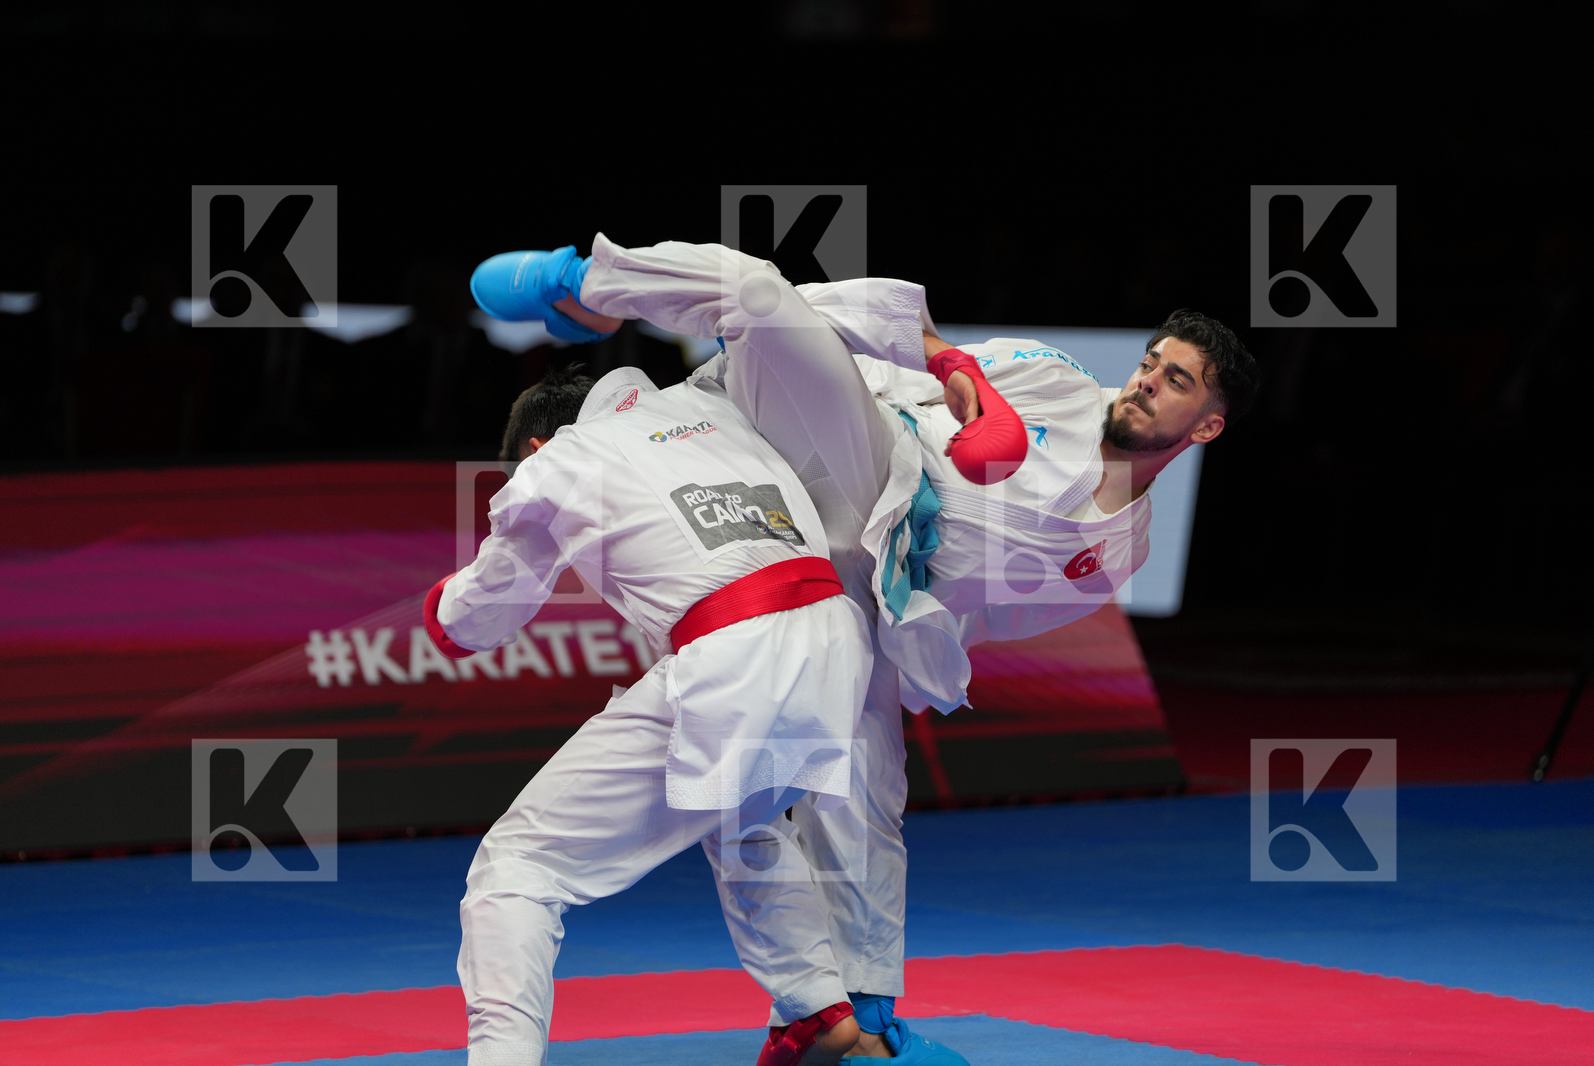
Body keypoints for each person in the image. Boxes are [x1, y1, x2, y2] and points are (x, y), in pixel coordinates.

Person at [473, 238, 1259, 1062]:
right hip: (849, 452)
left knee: (867, 790)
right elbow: (890, 349)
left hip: (854, 581)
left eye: (1178, 381)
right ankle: (585, 287)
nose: (1146, 382)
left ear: (1206, 425)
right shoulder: (1054, 378)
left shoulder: (1113, 555)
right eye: (1151, 362)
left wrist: (921, 556)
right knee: (764, 298)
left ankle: (857, 1021)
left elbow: (960, 624)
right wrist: (955, 373)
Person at [429, 360, 880, 1066]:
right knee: (744, 824)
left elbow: (485, 611)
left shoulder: (567, 457)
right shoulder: (720, 407)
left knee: (518, 867)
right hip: (837, 652)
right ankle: (819, 1011)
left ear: (535, 449)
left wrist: (442, 614)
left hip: (737, 655)